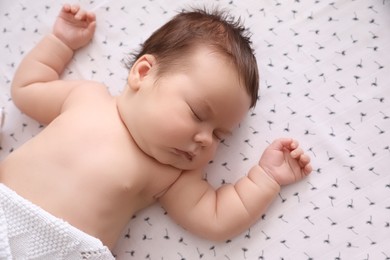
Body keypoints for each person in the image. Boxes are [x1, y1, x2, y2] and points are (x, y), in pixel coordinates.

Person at [0, 3, 312, 259]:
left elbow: (215, 216)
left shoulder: (169, 174)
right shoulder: (86, 97)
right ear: (143, 73)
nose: (205, 139)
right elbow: (29, 88)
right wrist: (61, 42)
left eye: (219, 136)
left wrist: (266, 178)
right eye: (197, 113)